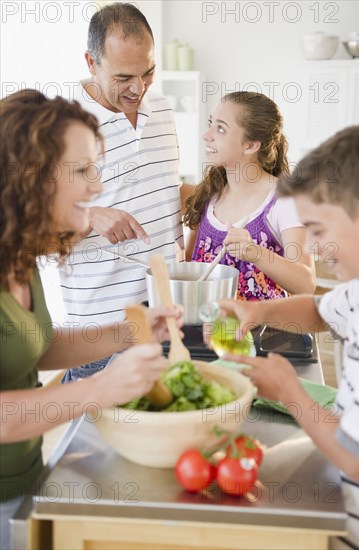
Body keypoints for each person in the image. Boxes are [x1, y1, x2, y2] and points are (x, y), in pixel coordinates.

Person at [0, 90, 183, 550]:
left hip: (20, 479)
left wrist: (132, 329)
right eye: (82, 170)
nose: (97, 186)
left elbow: (33, 345)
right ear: (31, 176)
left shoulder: (18, 255)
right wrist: (98, 390)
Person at [216, 125, 359, 549]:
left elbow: (358, 458)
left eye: (318, 230)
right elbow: (319, 310)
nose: (312, 247)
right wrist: (261, 311)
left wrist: (290, 392)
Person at [59, 2, 191, 381]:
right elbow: (26, 237)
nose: (138, 88)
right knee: (95, 439)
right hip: (100, 335)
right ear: (90, 62)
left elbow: (163, 191)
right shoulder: (60, 126)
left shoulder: (163, 110)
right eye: (123, 77)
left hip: (166, 322)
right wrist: (88, 219)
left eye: (147, 72)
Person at [184, 91, 316, 301]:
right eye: (211, 123)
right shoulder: (208, 193)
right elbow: (190, 267)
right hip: (211, 329)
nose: (206, 135)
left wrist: (254, 252)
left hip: (267, 330)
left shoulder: (285, 200)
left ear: (251, 145)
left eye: (220, 128)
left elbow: (306, 284)